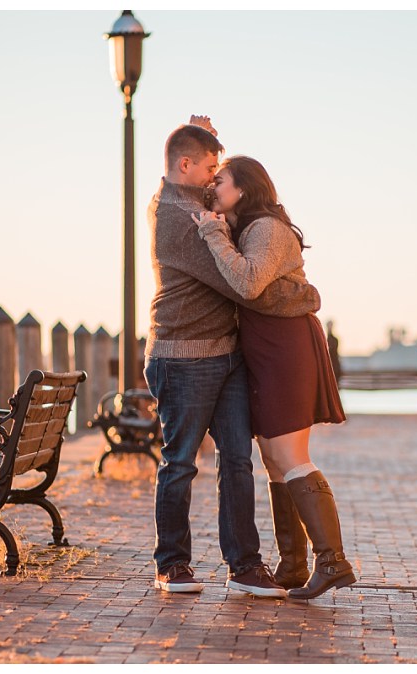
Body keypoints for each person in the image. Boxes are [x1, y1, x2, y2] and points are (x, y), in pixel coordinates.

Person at [146, 120, 322, 598]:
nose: (212, 177)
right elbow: (243, 286)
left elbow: (233, 188)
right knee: (180, 463)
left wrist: (198, 130)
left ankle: (244, 566)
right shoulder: (175, 219)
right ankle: (172, 565)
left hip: (227, 355)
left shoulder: (195, 201)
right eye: (206, 168)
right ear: (185, 166)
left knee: (238, 462)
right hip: (182, 358)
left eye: (214, 171)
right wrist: (300, 293)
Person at [193, 155, 356, 600]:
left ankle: (332, 561)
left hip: (286, 347)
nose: (212, 188)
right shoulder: (247, 228)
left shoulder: (265, 228)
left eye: (220, 181)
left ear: (243, 188)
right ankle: (293, 564)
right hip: (266, 348)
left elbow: (247, 284)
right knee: (272, 456)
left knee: (289, 453)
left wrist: (211, 233)